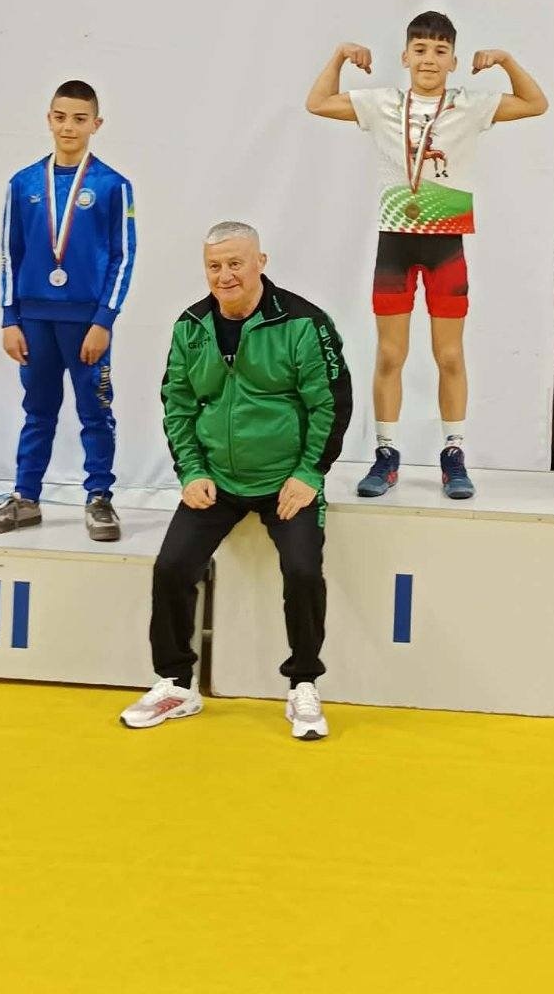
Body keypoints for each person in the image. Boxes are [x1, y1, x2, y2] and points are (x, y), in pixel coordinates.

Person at [120, 223, 351, 741]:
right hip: (217, 481)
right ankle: (176, 684)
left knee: (303, 572)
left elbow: (331, 403)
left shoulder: (304, 323)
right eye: (214, 266)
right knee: (172, 567)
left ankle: (304, 684)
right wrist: (192, 471)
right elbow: (178, 404)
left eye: (235, 263)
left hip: (286, 482)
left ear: (260, 262)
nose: (224, 275)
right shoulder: (191, 326)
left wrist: (309, 473)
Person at [305, 11, 547, 501]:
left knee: (450, 355)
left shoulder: (468, 105)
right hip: (395, 242)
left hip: (446, 243)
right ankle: (386, 453)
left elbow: (535, 103)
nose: (429, 59)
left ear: (454, 61)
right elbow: (318, 102)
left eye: (440, 51)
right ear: (405, 57)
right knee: (390, 354)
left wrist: (505, 61)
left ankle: (453, 453)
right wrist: (339, 55)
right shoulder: (382, 103)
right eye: (420, 50)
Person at [0, 79, 135, 542]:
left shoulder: (112, 185)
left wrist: (104, 321)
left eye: (80, 119)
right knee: (38, 411)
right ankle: (25, 497)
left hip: (86, 322)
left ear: (96, 124)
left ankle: (99, 497)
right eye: (61, 117)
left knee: (95, 411)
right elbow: (10, 254)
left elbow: (124, 256)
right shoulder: (24, 183)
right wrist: (10, 318)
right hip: (34, 321)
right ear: (48, 119)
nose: (69, 126)